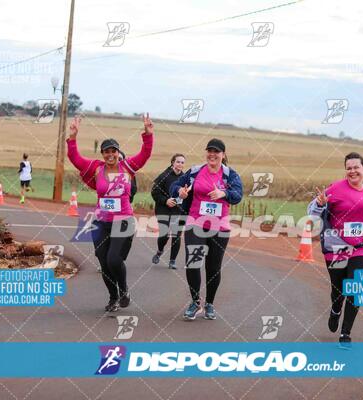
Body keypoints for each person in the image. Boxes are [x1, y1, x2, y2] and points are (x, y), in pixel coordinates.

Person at [67, 113, 154, 312]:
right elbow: (75, 158)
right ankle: (113, 297)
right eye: (106, 151)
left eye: (113, 151)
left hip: (123, 220)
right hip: (101, 222)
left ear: (118, 152)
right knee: (103, 260)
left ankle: (123, 291)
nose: (110, 154)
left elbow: (145, 154)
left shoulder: (128, 167)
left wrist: (148, 134)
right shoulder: (96, 168)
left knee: (114, 259)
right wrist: (73, 138)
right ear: (102, 154)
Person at [307, 152, 363, 348]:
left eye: (356, 167)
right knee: (338, 289)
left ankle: (346, 333)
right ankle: (336, 309)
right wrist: (319, 204)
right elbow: (311, 212)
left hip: (362, 248)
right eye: (349, 168)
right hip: (337, 245)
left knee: (355, 288)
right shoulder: (335, 189)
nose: (352, 171)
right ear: (346, 170)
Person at [171, 138, 243, 321]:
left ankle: (210, 303)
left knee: (213, 267)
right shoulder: (195, 171)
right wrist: (179, 191)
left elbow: (237, 196)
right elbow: (175, 185)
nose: (212, 154)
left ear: (223, 155)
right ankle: (195, 302)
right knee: (193, 262)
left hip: (219, 227)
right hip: (196, 223)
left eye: (216, 151)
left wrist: (224, 193)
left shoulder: (230, 175)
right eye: (209, 151)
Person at [151, 153, 186, 269]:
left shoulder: (185, 178)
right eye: (178, 162)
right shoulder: (164, 176)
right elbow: (154, 192)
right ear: (172, 163)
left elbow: (189, 195)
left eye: (182, 162)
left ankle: (172, 261)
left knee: (176, 235)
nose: (180, 164)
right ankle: (160, 251)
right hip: (163, 209)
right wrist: (166, 200)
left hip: (178, 210)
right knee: (164, 234)